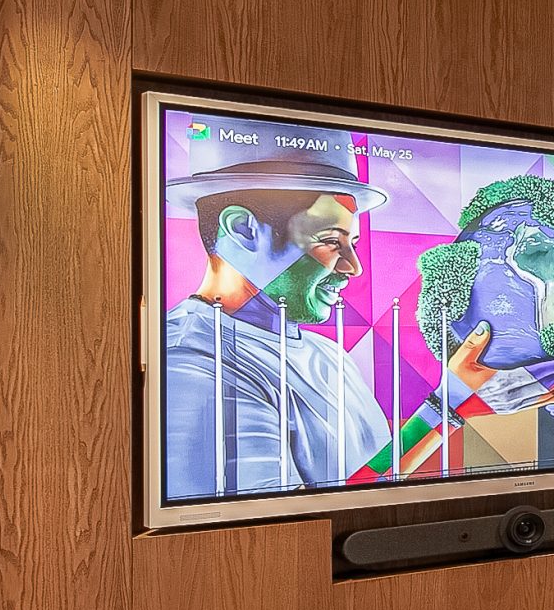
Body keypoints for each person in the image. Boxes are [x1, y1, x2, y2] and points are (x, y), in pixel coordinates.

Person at [160, 124, 393, 500]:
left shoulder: (330, 356)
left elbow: (378, 484)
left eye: (352, 243)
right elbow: (265, 533)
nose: (353, 267)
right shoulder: (190, 364)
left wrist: (451, 402)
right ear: (242, 229)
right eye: (331, 241)